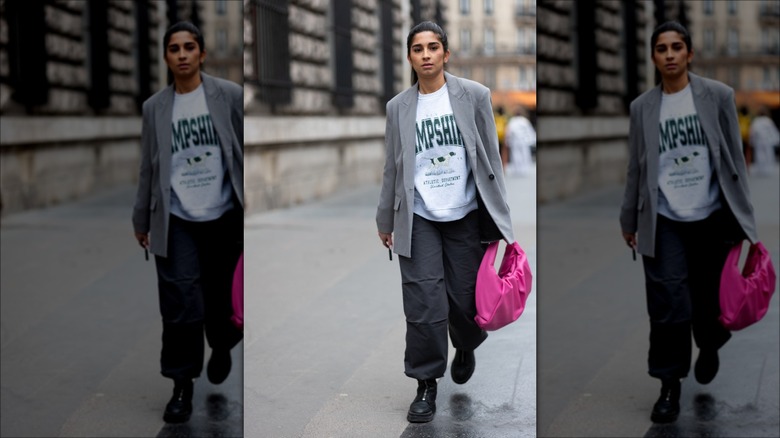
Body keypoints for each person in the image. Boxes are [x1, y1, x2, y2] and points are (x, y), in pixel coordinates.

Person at [376, 21, 515, 424]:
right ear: (409, 57)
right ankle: (425, 384)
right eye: (417, 48)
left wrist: (502, 217)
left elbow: (491, 158)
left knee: (466, 301)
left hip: (465, 215)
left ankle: (466, 343)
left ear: (445, 54)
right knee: (423, 303)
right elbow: (392, 168)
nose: (425, 55)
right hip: (418, 217)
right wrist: (385, 218)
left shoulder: (474, 96)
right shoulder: (397, 107)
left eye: (433, 47)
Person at [620, 21, 757, 424]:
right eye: (661, 48)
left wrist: (745, 218)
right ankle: (669, 384)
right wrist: (629, 219)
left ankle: (711, 342)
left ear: (689, 53)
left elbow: (735, 160)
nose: (670, 54)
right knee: (668, 306)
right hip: (664, 221)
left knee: (708, 300)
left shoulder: (718, 96)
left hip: (713, 217)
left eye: (677, 47)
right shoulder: (642, 107)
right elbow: (635, 169)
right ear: (653, 57)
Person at [132, 21, 244, 423]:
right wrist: (141, 218)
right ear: (166, 57)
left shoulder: (229, 95)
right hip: (176, 219)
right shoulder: (155, 107)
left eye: (189, 47)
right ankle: (181, 384)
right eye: (174, 48)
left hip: (224, 218)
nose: (181, 54)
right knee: (181, 304)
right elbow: (148, 167)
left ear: (202, 54)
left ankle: (223, 344)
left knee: (218, 301)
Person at [505, 107, 536, 176]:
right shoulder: (524, 121)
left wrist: (507, 141)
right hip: (524, 140)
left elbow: (509, 132)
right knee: (524, 154)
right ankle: (524, 168)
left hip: (515, 141)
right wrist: (532, 140)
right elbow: (530, 131)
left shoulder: (512, 121)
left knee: (516, 155)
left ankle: (517, 169)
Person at [749, 107, 780, 176]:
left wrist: (752, 141)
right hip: (767, 141)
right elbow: (773, 131)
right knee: (768, 154)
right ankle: (768, 168)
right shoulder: (768, 121)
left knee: (759, 155)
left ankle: (761, 169)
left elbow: (753, 132)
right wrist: (776, 140)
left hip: (759, 141)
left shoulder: (756, 121)